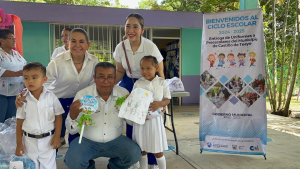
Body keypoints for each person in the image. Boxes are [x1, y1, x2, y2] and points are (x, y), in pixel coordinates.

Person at [15, 28, 99, 146]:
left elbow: (93, 83)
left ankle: (75, 160)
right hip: (58, 101)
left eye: (82, 41)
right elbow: (43, 81)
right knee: (55, 136)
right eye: (73, 41)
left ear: (88, 45)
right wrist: (25, 93)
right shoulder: (58, 61)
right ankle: (50, 161)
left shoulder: (94, 61)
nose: (77, 45)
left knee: (78, 134)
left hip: (81, 102)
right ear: (68, 43)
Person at [64, 62, 142, 169]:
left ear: (115, 79)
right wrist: (72, 116)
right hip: (87, 141)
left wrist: (135, 111)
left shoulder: (123, 93)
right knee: (73, 160)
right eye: (101, 77)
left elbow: (130, 122)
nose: (106, 81)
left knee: (134, 154)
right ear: (94, 78)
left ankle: (114, 167)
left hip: (115, 140)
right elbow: (72, 131)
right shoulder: (83, 95)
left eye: (110, 77)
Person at [113, 13, 164, 168]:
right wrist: (109, 86)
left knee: (152, 121)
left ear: (142, 29)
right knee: (131, 122)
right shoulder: (120, 47)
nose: (131, 29)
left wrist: (162, 100)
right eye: (128, 25)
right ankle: (134, 158)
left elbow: (159, 72)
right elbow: (120, 71)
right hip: (130, 84)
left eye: (135, 26)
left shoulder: (150, 46)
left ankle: (153, 162)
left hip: (149, 84)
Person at [15, 62, 64, 169]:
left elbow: (58, 117)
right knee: (31, 166)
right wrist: (19, 144)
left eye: (34, 77)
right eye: (26, 78)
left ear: (44, 79)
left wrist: (57, 136)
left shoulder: (51, 97)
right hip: (29, 142)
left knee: (49, 166)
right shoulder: (23, 100)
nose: (30, 81)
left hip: (48, 141)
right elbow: (19, 123)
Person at [131, 56, 170, 169]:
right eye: (142, 68)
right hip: (141, 121)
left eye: (148, 68)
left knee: (157, 149)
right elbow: (133, 101)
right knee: (142, 150)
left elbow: (167, 99)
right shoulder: (138, 83)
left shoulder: (162, 83)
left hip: (155, 122)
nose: (145, 71)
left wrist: (161, 104)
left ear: (156, 68)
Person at [0, 29, 26, 123]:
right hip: (2, 94)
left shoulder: (16, 54)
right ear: (2, 40)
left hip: (16, 94)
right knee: (1, 120)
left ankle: (8, 138)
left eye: (14, 38)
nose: (14, 41)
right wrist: (15, 74)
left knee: (11, 121)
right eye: (11, 38)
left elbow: (25, 67)